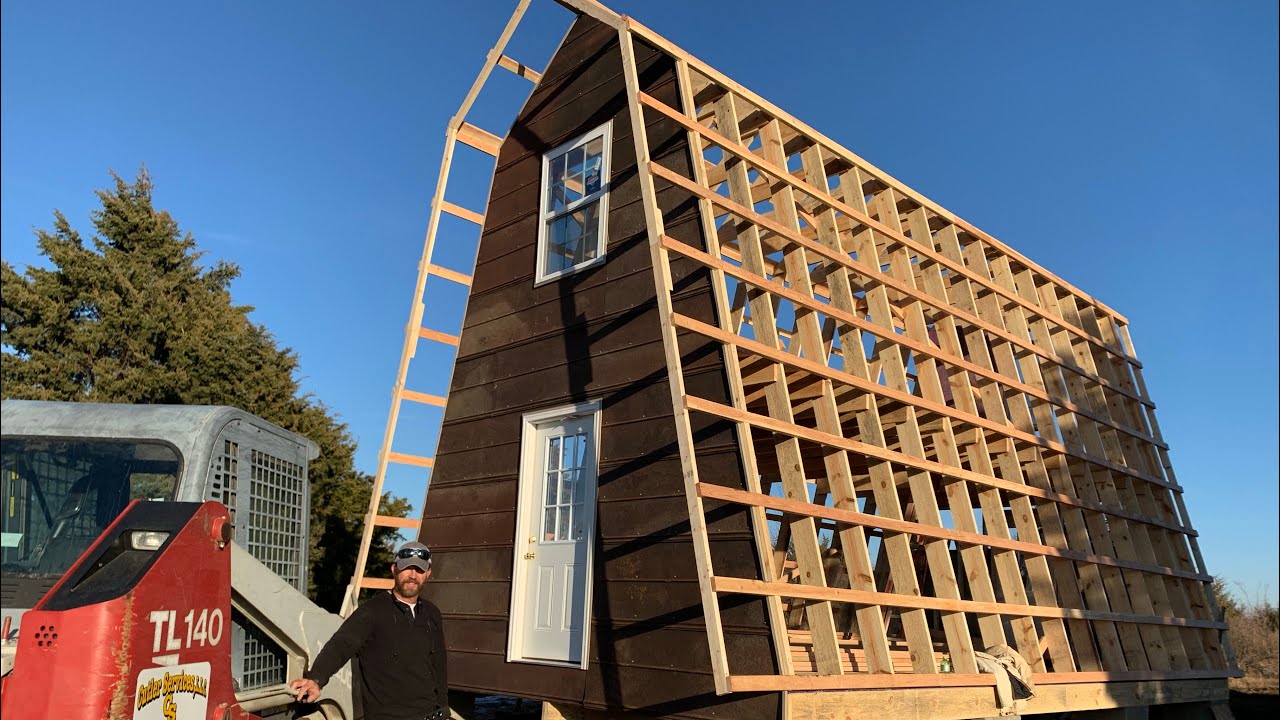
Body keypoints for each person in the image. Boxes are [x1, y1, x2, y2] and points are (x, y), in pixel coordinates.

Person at [289, 542, 448, 720]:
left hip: (430, 715)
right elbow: (340, 645)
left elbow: (439, 664)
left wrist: (444, 708)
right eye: (406, 568)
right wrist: (316, 678)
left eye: (419, 570)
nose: (412, 575)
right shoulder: (371, 611)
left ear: (428, 573)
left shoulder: (431, 614)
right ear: (394, 569)